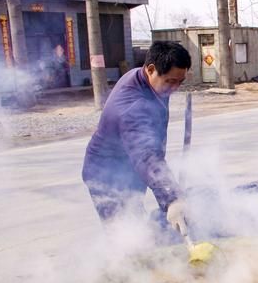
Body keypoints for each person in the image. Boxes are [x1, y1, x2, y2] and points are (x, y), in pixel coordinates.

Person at [82, 41, 192, 237]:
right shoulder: (133, 107)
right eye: (170, 81)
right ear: (150, 69)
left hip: (130, 168)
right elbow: (146, 157)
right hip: (106, 175)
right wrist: (172, 198)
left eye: (179, 82)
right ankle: (119, 263)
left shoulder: (146, 80)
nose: (174, 88)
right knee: (124, 234)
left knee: (137, 223)